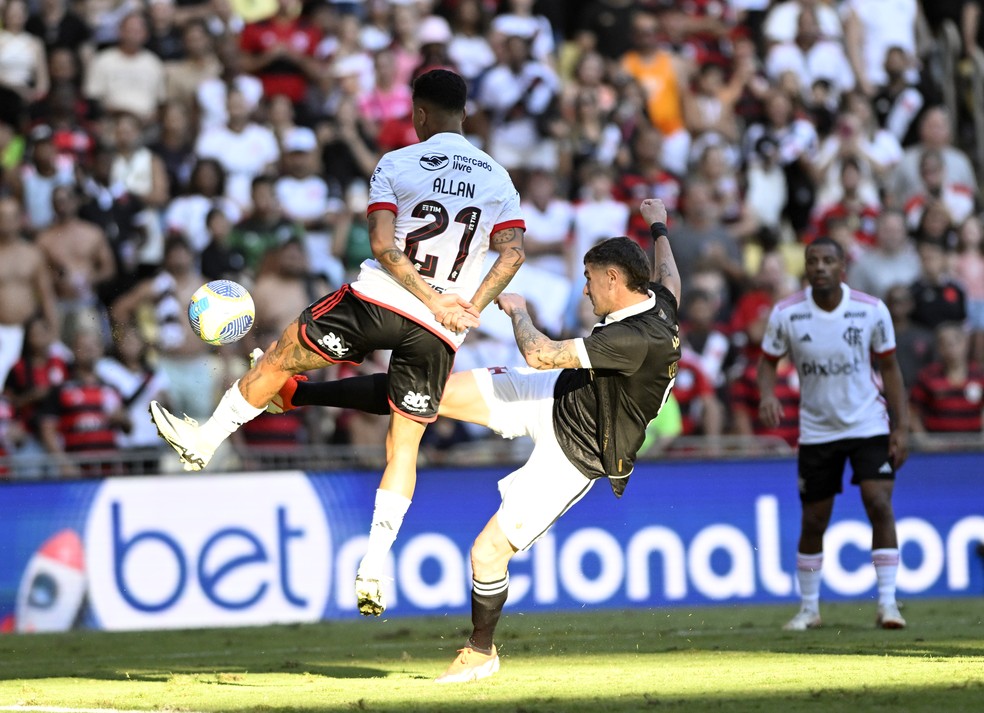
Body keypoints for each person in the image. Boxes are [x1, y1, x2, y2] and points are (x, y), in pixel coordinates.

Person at [149, 69, 526, 616]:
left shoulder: (397, 162)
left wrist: (425, 294)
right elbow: (512, 255)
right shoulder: (498, 179)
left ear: (419, 113)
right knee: (404, 448)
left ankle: (205, 442)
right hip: (441, 328)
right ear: (464, 113)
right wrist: (462, 305)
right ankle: (375, 563)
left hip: (378, 301)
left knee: (279, 355)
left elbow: (382, 244)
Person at [260, 198, 681, 683]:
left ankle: (481, 652)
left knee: (486, 552)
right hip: (557, 395)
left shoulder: (635, 339)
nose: (585, 292)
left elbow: (541, 354)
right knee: (425, 393)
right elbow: (670, 277)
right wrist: (658, 227)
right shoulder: (659, 303)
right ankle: (298, 394)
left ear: (613, 278)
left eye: (589, 279)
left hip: (579, 450)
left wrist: (518, 312)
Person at [758, 236, 909, 631]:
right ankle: (809, 608)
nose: (820, 266)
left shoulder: (871, 310)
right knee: (814, 519)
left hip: (868, 424)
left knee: (878, 503)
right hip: (818, 430)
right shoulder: (786, 314)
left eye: (828, 260)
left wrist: (902, 427)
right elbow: (767, 361)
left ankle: (888, 605)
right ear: (805, 267)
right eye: (813, 260)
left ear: (842, 267)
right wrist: (767, 394)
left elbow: (891, 369)